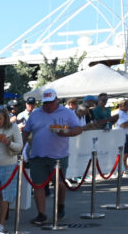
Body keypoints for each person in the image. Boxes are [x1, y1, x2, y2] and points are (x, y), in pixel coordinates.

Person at [22, 87, 84, 225]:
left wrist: (66, 133)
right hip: (37, 156)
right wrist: (20, 148)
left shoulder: (67, 113)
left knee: (60, 184)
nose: (48, 105)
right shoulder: (35, 114)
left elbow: (79, 129)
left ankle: (60, 205)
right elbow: (26, 131)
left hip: (59, 156)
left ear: (56, 100)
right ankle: (41, 214)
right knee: (38, 185)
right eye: (45, 103)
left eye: (51, 102)